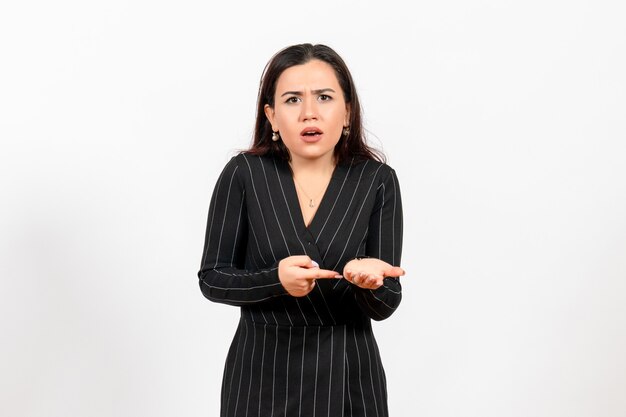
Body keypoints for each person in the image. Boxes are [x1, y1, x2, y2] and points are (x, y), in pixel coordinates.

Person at [198, 43, 405, 417]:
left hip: (348, 375)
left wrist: (372, 284)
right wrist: (275, 280)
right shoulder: (244, 174)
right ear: (272, 116)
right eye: (292, 100)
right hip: (260, 374)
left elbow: (387, 302)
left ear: (347, 112)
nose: (309, 112)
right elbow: (212, 278)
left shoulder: (377, 180)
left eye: (324, 97)